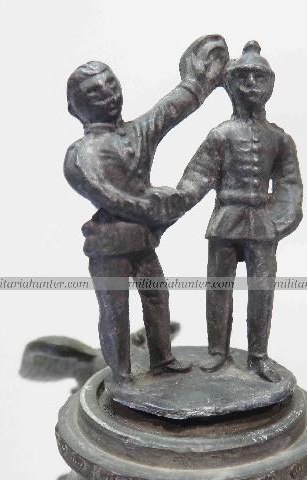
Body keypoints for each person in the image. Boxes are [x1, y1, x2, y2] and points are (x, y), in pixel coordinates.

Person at [64, 35, 228, 386]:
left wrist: (199, 82)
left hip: (141, 241)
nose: (108, 95)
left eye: (111, 85)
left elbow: (168, 111)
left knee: (156, 296)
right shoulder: (81, 154)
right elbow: (109, 196)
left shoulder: (135, 133)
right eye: (95, 92)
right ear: (75, 108)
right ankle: (122, 375)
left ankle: (162, 359)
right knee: (115, 310)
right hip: (109, 246)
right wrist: (154, 207)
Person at [177, 41, 303, 382]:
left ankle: (258, 356)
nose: (251, 84)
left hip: (262, 222)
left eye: (259, 77)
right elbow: (196, 178)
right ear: (230, 84)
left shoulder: (280, 139)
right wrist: (172, 202)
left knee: (262, 291)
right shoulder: (221, 135)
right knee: (219, 288)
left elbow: (290, 185)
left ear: (270, 84)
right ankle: (218, 352)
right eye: (243, 77)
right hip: (226, 219)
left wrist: (280, 220)